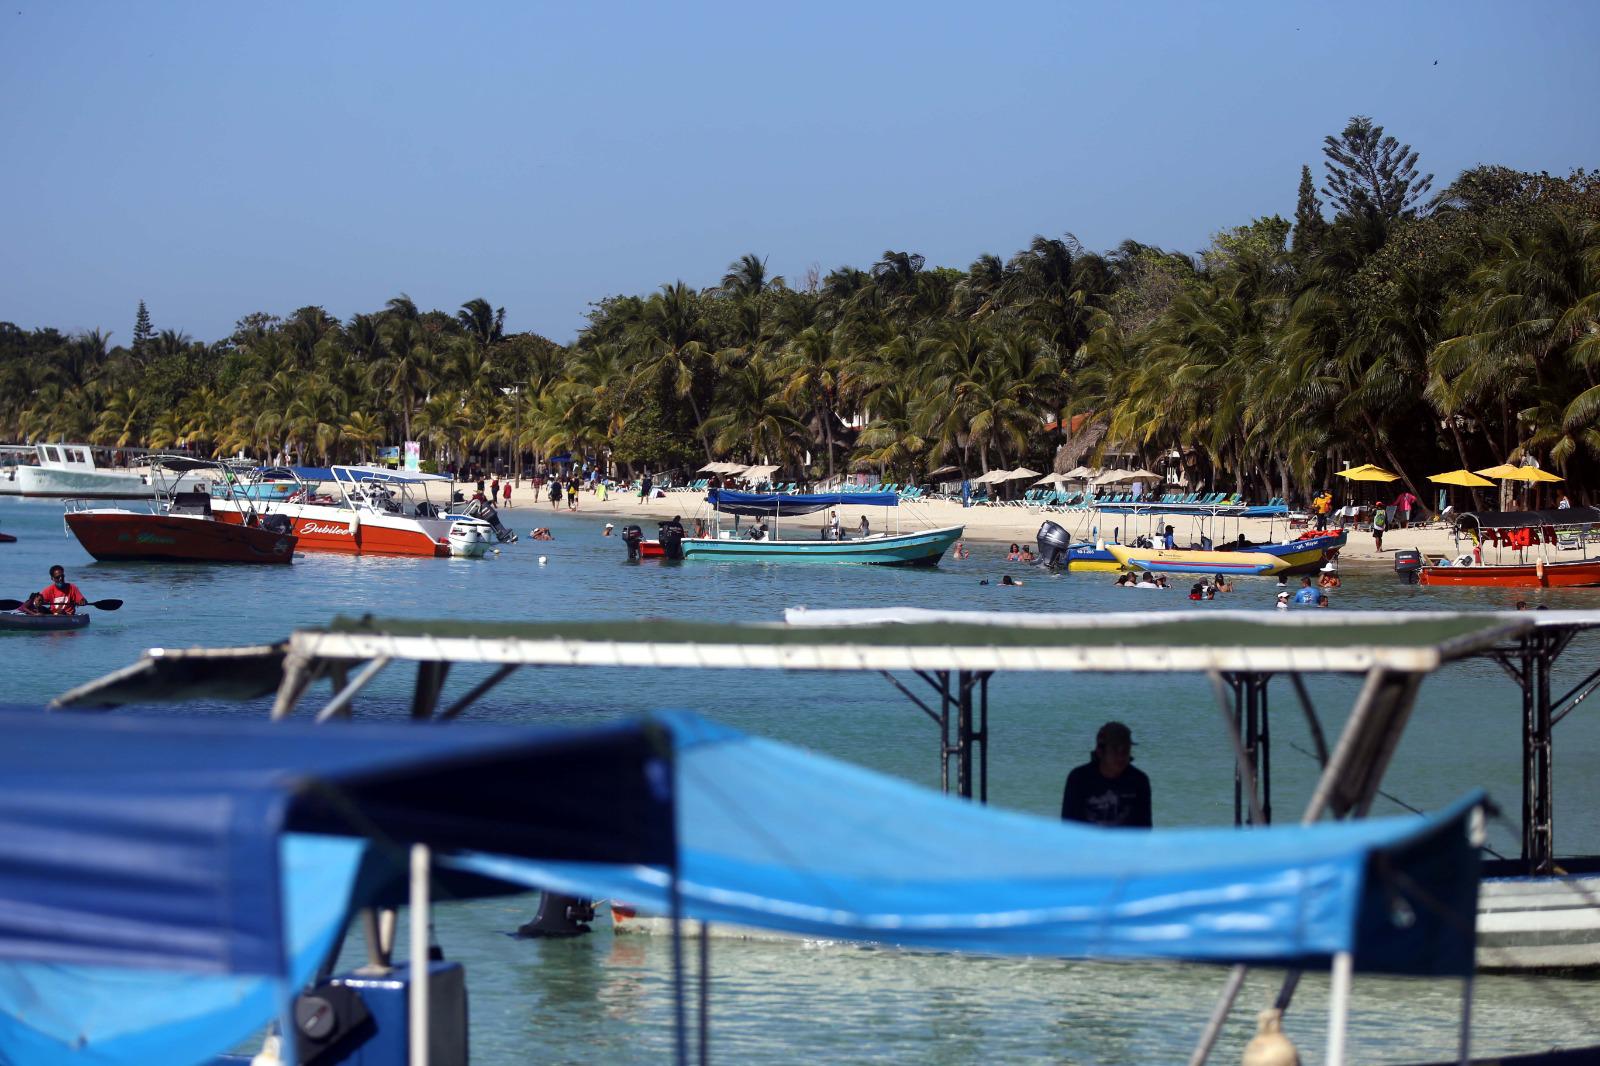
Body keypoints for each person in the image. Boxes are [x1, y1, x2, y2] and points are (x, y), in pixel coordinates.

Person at [1061, 721, 1151, 828]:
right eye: (1115, 750)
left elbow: (1144, 830)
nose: (1121, 756)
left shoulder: (1139, 781)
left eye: (1125, 750)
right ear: (1100, 751)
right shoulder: (1078, 779)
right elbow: (1068, 827)